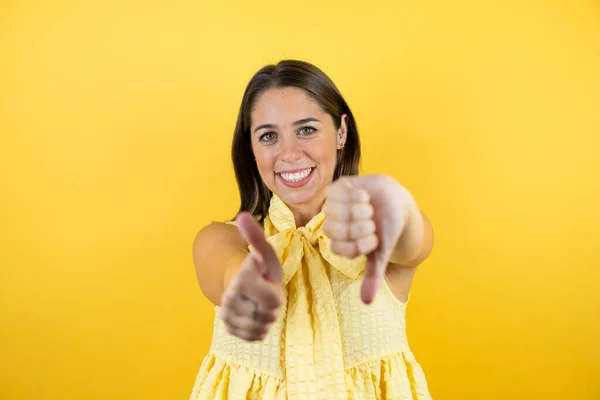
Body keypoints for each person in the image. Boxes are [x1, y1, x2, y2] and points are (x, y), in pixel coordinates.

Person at [189, 59, 434, 399]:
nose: (289, 153)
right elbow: (221, 267)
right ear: (252, 150)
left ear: (341, 132)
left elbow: (414, 239)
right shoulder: (225, 238)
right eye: (269, 136)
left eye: (306, 129)